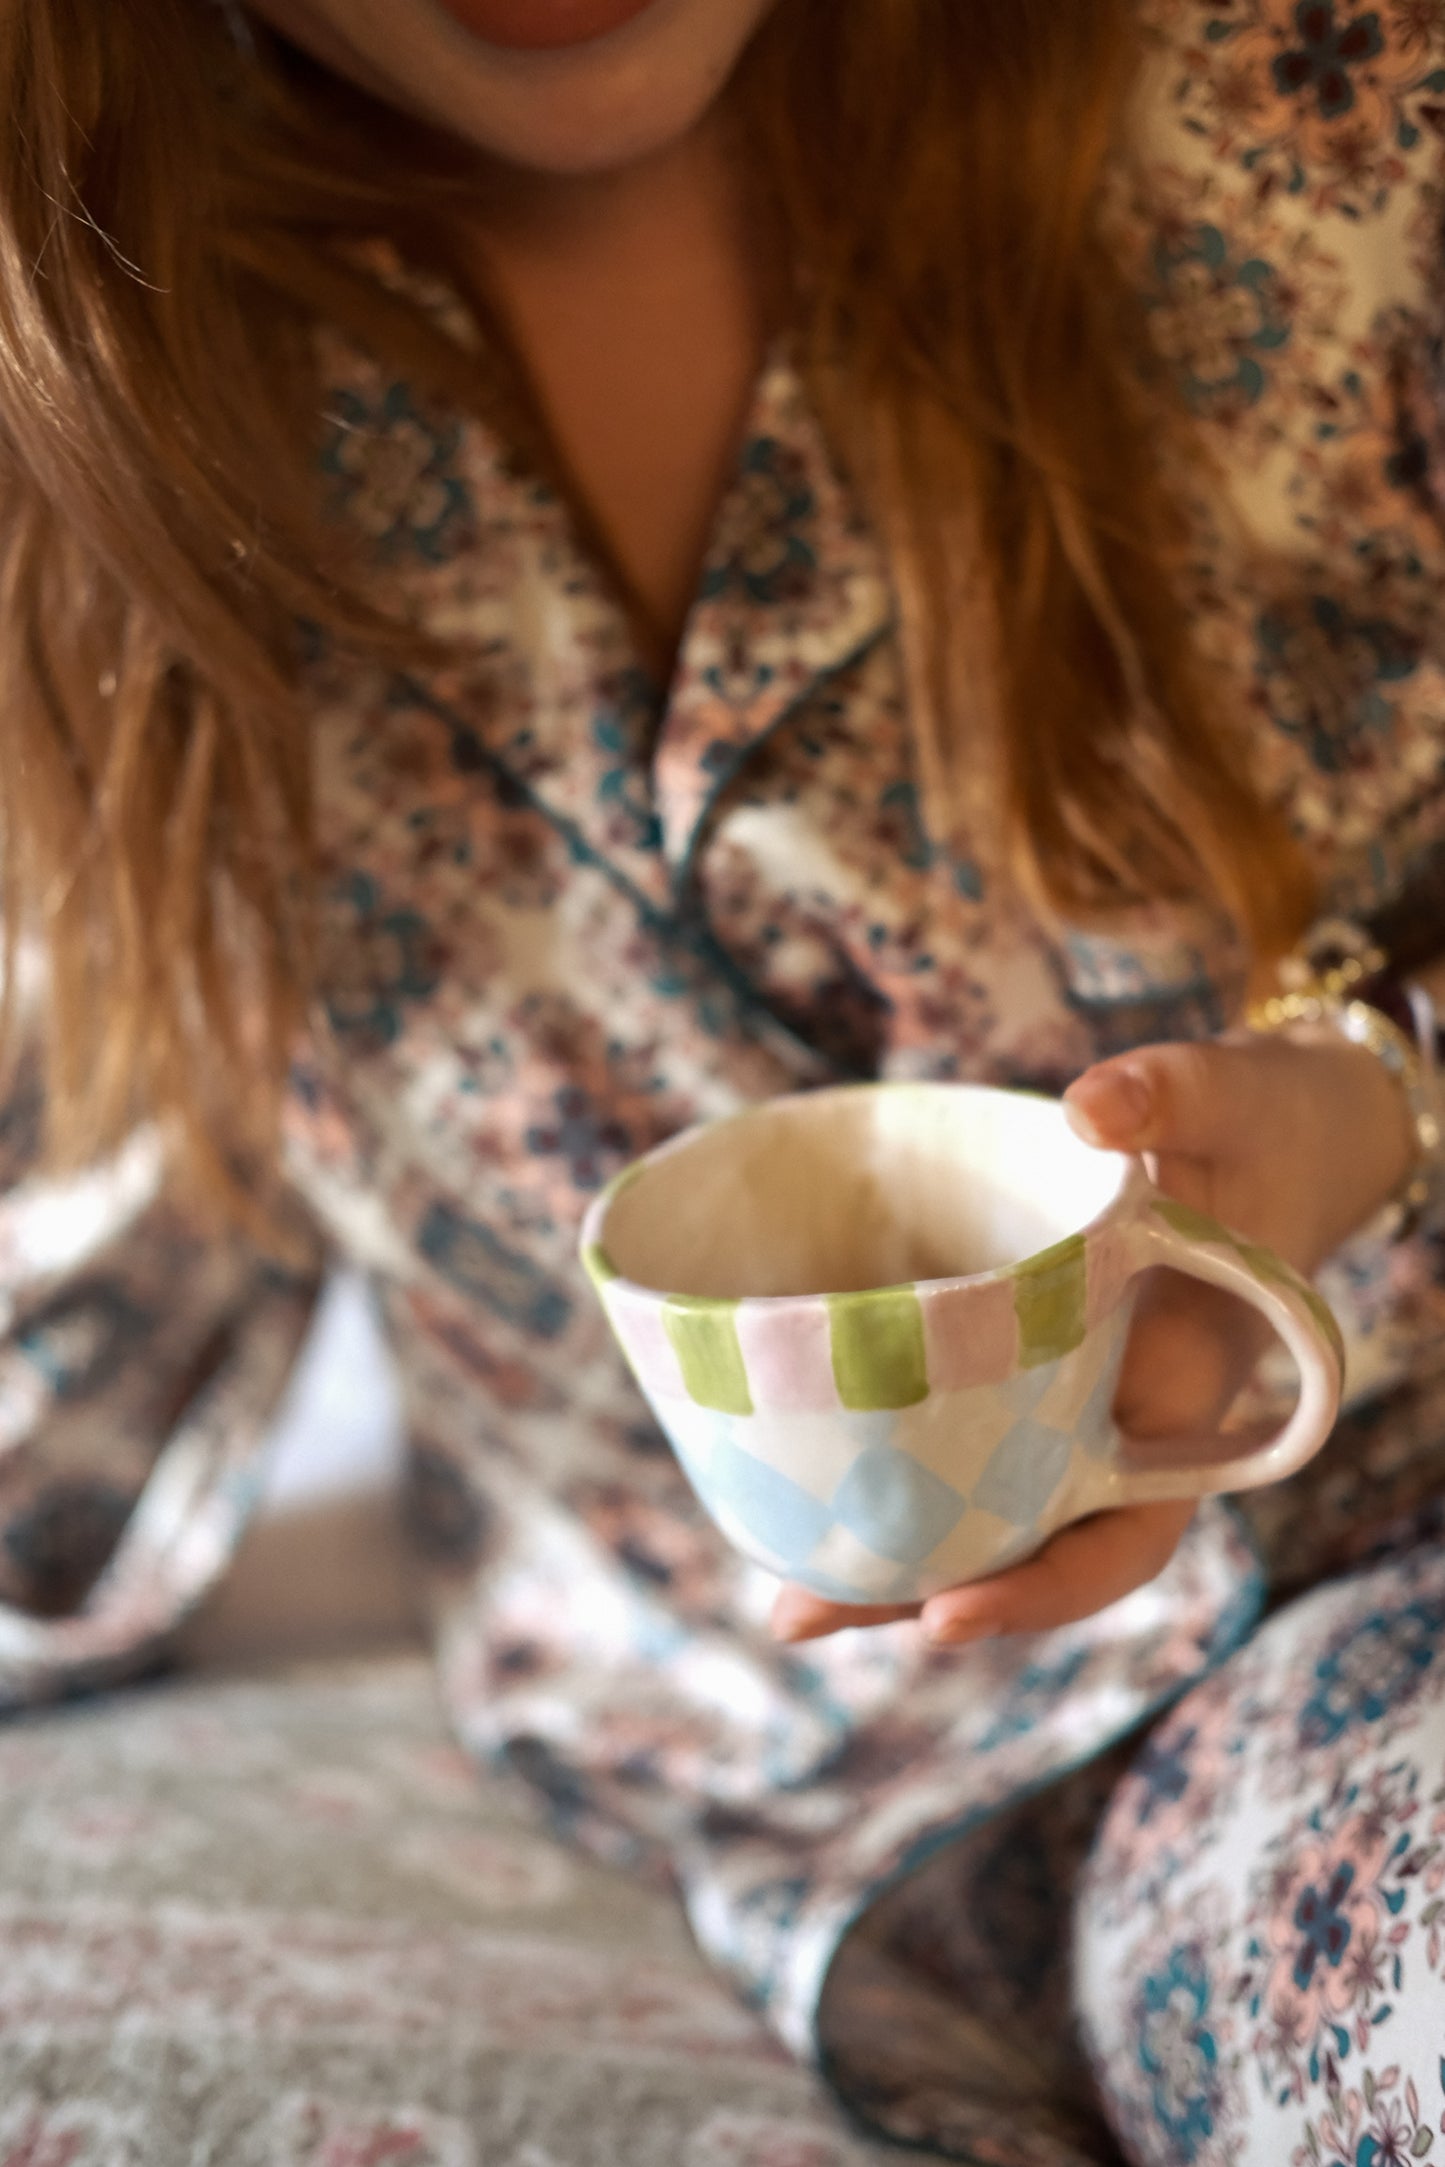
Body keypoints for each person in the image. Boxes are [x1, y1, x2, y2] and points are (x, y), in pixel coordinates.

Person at [1, 0, 1443, 2159]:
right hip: (820, 1761)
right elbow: (76, 1260)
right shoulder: (87, 363)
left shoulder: (1326, 93)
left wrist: (1375, 1088)